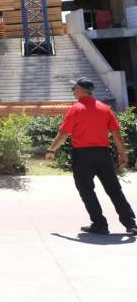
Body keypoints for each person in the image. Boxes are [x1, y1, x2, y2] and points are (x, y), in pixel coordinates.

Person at [46, 77, 136, 235]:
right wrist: (123, 154)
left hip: (83, 156)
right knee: (114, 189)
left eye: (74, 88)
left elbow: (64, 133)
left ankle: (100, 224)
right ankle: (131, 224)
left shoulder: (76, 109)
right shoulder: (105, 109)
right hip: (103, 155)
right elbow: (116, 134)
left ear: (82, 90)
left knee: (86, 190)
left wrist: (52, 150)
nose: (73, 91)